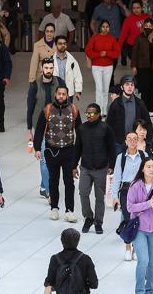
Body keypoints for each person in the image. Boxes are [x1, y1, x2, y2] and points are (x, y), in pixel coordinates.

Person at [34, 85, 80, 222]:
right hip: (51, 151)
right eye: (59, 93)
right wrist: (37, 148)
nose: (61, 96)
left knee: (69, 181)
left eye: (64, 94)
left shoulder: (73, 110)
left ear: (67, 95)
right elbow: (39, 130)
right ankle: (54, 208)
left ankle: (69, 210)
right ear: (55, 94)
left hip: (69, 151)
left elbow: (80, 131)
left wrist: (80, 151)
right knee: (53, 180)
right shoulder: (47, 110)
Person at [127, 157, 153, 293]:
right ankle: (139, 291)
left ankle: (149, 290)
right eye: (149, 166)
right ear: (143, 169)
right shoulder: (135, 185)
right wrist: (148, 204)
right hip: (139, 229)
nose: (152, 169)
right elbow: (130, 207)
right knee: (143, 261)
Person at [27, 59, 65, 200]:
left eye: (51, 67)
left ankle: (44, 186)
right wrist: (28, 129)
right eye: (46, 67)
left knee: (55, 157)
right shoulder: (34, 85)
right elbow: (30, 107)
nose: (48, 70)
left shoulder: (59, 82)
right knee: (44, 158)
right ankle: (49, 190)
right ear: (41, 68)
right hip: (40, 126)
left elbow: (66, 101)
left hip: (57, 125)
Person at [75, 102, 114, 234]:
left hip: (101, 168)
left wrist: (112, 166)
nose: (89, 116)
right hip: (85, 167)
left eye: (91, 113)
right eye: (87, 113)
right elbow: (77, 148)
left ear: (98, 114)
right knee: (83, 192)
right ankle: (88, 217)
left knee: (99, 197)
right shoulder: (81, 128)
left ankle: (98, 222)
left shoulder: (105, 128)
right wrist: (74, 166)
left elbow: (111, 148)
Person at [111, 129, 148, 261]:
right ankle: (128, 247)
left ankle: (137, 248)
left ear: (138, 141)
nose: (132, 142)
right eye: (130, 139)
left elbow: (148, 174)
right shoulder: (120, 158)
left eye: (135, 139)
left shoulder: (144, 155)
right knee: (127, 219)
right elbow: (117, 178)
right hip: (126, 191)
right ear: (126, 141)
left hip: (141, 190)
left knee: (140, 220)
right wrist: (115, 196)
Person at [42, 228, 99, 293]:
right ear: (78, 241)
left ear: (61, 241)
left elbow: (49, 283)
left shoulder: (55, 259)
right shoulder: (85, 259)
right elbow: (94, 284)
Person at [107, 75, 153, 152]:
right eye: (127, 84)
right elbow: (109, 124)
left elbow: (148, 123)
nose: (130, 87)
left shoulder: (139, 103)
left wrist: (148, 141)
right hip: (120, 143)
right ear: (122, 87)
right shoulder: (116, 104)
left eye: (132, 85)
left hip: (136, 142)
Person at [132, 18, 153, 116]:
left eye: (150, 26)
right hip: (142, 66)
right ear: (143, 26)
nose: (148, 28)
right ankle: (144, 109)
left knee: (152, 88)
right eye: (146, 26)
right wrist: (134, 66)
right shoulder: (139, 38)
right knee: (144, 88)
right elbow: (134, 53)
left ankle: (151, 109)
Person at [86, 19, 119, 109]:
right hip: (96, 66)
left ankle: (104, 110)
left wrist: (107, 53)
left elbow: (116, 53)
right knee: (99, 88)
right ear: (100, 27)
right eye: (103, 27)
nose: (105, 29)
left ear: (109, 28)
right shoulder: (94, 38)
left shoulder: (112, 39)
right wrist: (98, 54)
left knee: (105, 89)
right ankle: (98, 109)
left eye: (107, 27)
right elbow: (88, 51)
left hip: (108, 67)